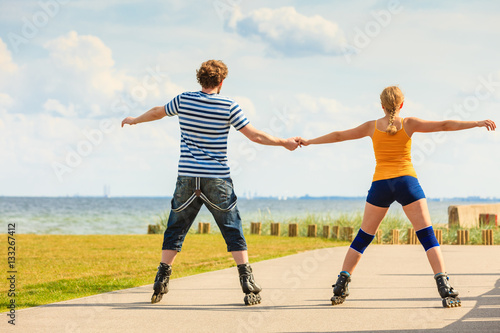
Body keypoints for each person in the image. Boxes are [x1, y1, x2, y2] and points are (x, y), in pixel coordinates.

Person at [298, 86, 496, 308]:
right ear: (402, 104)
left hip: (380, 184)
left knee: (364, 236)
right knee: (428, 236)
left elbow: (338, 136)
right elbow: (444, 125)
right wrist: (477, 123)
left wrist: (309, 141)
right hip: (406, 182)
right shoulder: (409, 123)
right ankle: (444, 286)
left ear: (381, 105)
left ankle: (340, 284)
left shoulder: (371, 127)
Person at [122, 60, 298, 306]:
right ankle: (247, 281)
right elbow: (255, 135)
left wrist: (135, 120)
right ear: (221, 82)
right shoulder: (228, 106)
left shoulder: (183, 100)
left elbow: (156, 112)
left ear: (200, 79)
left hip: (187, 177)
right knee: (231, 227)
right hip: (217, 178)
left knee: (176, 227)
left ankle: (161, 279)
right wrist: (284, 142)